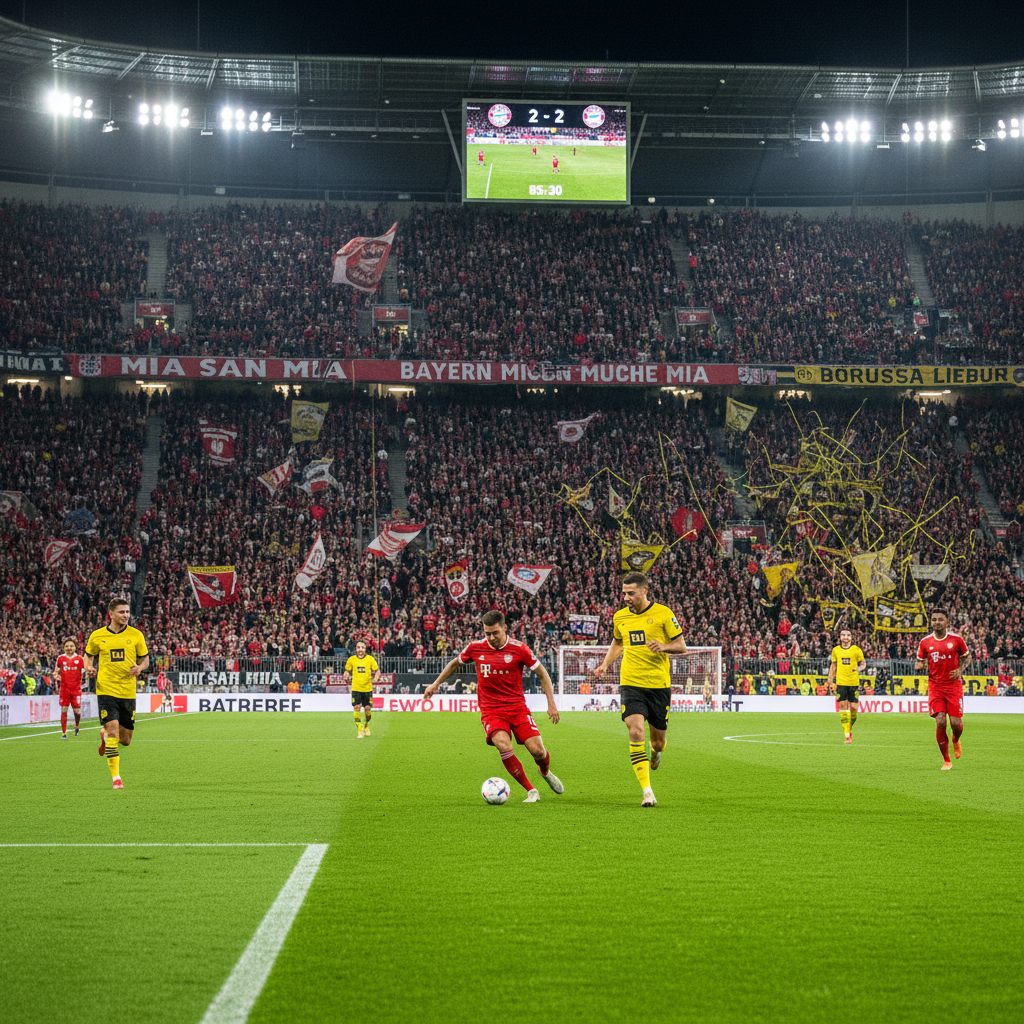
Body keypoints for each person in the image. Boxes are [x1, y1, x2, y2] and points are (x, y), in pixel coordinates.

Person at [423, 609, 562, 803]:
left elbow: (543, 674)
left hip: (517, 708)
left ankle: (545, 771)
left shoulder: (520, 649)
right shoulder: (475, 648)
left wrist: (551, 704)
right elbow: (454, 664)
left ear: (505, 628)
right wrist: (435, 684)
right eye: (487, 633)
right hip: (491, 710)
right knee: (503, 744)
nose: (491, 638)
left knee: (538, 751)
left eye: (495, 633)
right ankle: (531, 790)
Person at [588, 571, 688, 807]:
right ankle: (647, 791)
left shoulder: (663, 614)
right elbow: (618, 642)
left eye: (631, 593)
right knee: (635, 731)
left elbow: (681, 645)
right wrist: (605, 664)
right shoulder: (620, 617)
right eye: (624, 593)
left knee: (658, 742)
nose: (626, 598)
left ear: (644, 591)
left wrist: (663, 646)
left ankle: (656, 752)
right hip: (631, 683)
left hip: (658, 685)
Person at [85, 598, 150, 790]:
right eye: (122, 612)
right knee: (114, 731)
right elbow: (88, 656)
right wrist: (88, 667)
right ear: (111, 614)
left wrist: (140, 668)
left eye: (127, 612)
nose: (126, 615)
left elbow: (145, 659)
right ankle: (116, 778)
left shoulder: (136, 635)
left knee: (125, 740)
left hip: (128, 691)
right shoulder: (97, 636)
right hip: (106, 689)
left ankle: (104, 734)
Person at [914, 608, 970, 770]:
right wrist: (919, 666)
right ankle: (946, 760)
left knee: (956, 724)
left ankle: (955, 740)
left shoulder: (957, 640)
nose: (937, 622)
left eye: (940, 619)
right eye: (934, 620)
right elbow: (919, 660)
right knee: (940, 721)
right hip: (935, 686)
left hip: (953, 686)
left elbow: (967, 657)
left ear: (947, 622)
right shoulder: (925, 642)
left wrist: (960, 670)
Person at [827, 627, 866, 744]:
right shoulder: (836, 650)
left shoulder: (856, 650)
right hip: (841, 682)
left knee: (854, 710)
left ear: (851, 637)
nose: (845, 637)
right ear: (840, 637)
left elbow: (863, 663)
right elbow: (833, 666)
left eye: (848, 635)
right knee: (843, 707)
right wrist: (830, 679)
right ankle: (847, 735)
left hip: (854, 683)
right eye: (843, 635)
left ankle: (849, 729)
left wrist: (858, 669)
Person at [344, 640, 379, 738]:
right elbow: (347, 671)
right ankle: (359, 730)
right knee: (356, 707)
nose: (360, 649)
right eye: (358, 647)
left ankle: (366, 725)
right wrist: (346, 675)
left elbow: (377, 671)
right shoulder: (351, 660)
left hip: (367, 689)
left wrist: (376, 677)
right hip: (356, 688)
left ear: (365, 649)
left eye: (362, 647)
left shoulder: (370, 659)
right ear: (356, 649)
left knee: (367, 710)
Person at [56, 638, 86, 739]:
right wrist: (56, 675)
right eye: (67, 646)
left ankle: (77, 726)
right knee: (64, 709)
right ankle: (63, 733)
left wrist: (84, 681)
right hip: (64, 689)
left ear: (75, 647)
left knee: (77, 711)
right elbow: (56, 671)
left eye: (71, 646)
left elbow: (84, 673)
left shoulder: (79, 659)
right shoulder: (60, 658)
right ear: (64, 648)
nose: (69, 648)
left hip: (76, 689)